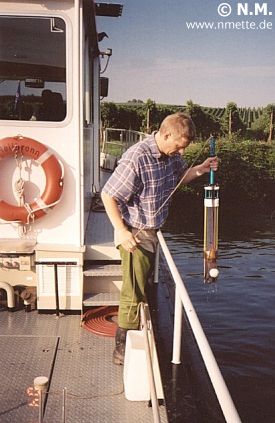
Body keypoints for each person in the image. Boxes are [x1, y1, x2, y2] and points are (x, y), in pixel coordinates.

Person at [101, 112, 218, 365]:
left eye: (184, 148)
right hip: (135, 234)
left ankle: (138, 334)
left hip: (152, 231)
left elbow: (179, 179)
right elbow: (108, 195)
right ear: (166, 135)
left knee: (143, 287)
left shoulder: (171, 155)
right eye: (178, 145)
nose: (181, 151)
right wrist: (122, 232)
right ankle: (122, 350)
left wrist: (201, 169)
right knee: (133, 291)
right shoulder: (137, 157)